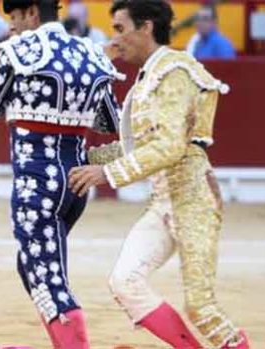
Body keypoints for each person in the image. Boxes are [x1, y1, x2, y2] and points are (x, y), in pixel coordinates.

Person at [68, 1, 249, 348]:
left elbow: (169, 147)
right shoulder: (149, 77)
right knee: (125, 281)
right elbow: (138, 147)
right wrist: (78, 158)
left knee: (201, 306)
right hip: (163, 201)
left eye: (120, 29)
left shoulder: (175, 71)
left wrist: (106, 172)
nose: (115, 39)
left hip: (194, 198)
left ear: (146, 27)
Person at [0, 0, 122, 347]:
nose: (11, 27)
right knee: (32, 267)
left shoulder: (18, 51)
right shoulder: (92, 53)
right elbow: (110, 122)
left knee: (47, 280)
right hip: (75, 185)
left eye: (14, 18)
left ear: (30, 13)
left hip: (36, 186)